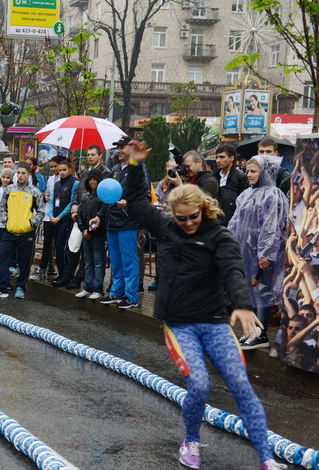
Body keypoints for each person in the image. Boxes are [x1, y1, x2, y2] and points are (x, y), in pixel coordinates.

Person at [123, 142, 286, 470]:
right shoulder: (167, 227)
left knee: (241, 384)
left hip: (214, 322)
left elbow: (232, 269)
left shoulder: (218, 235)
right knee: (199, 383)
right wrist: (134, 163)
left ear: (204, 210)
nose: (186, 223)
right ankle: (191, 441)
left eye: (192, 217)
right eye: (180, 218)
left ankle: (267, 458)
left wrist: (242, 304)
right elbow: (139, 203)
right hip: (179, 322)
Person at [228, 156, 288, 350]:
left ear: (264, 173)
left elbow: (272, 227)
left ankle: (261, 333)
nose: (248, 174)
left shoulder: (274, 195)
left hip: (261, 254)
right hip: (246, 251)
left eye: (253, 171)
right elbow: (235, 222)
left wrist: (266, 253)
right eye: (247, 171)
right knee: (249, 291)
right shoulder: (245, 194)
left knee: (261, 290)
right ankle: (252, 330)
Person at [101, 137, 150, 309]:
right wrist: (100, 215)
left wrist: (128, 202)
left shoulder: (139, 168)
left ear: (131, 148)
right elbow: (107, 195)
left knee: (129, 259)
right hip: (112, 221)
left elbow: (145, 195)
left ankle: (131, 296)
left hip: (128, 221)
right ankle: (116, 292)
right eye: (117, 148)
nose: (119, 151)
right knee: (116, 260)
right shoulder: (115, 169)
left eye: (122, 147)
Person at [0, 163, 45, 299]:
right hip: (10, 231)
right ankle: (1, 288)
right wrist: (6, 222)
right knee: (0, 257)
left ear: (29, 174)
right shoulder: (9, 189)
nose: (21, 175)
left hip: (26, 232)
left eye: (24, 173)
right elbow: (2, 208)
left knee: (24, 261)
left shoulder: (34, 191)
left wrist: (31, 224)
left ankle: (20, 287)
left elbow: (41, 211)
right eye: (19, 173)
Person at [75, 168, 108, 300]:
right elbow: (79, 214)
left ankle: (98, 288)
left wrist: (90, 231)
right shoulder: (85, 196)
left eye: (95, 179)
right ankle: (88, 286)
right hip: (85, 234)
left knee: (99, 262)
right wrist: (83, 229)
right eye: (91, 179)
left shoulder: (103, 197)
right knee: (88, 262)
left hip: (98, 234)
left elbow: (102, 214)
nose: (93, 182)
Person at [48, 158, 81, 288]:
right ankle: (61, 273)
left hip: (66, 220)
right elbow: (51, 201)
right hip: (55, 219)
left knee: (64, 248)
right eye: (60, 170)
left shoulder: (75, 183)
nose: (61, 172)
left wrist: (60, 217)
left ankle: (66, 275)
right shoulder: (57, 184)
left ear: (70, 170)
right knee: (58, 247)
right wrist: (51, 215)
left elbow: (72, 202)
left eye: (64, 170)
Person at [214, 144, 249, 226]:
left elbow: (243, 201)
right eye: (217, 157)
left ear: (231, 158)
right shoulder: (214, 176)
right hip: (215, 220)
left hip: (232, 222)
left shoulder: (240, 177)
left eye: (222, 157)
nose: (218, 160)